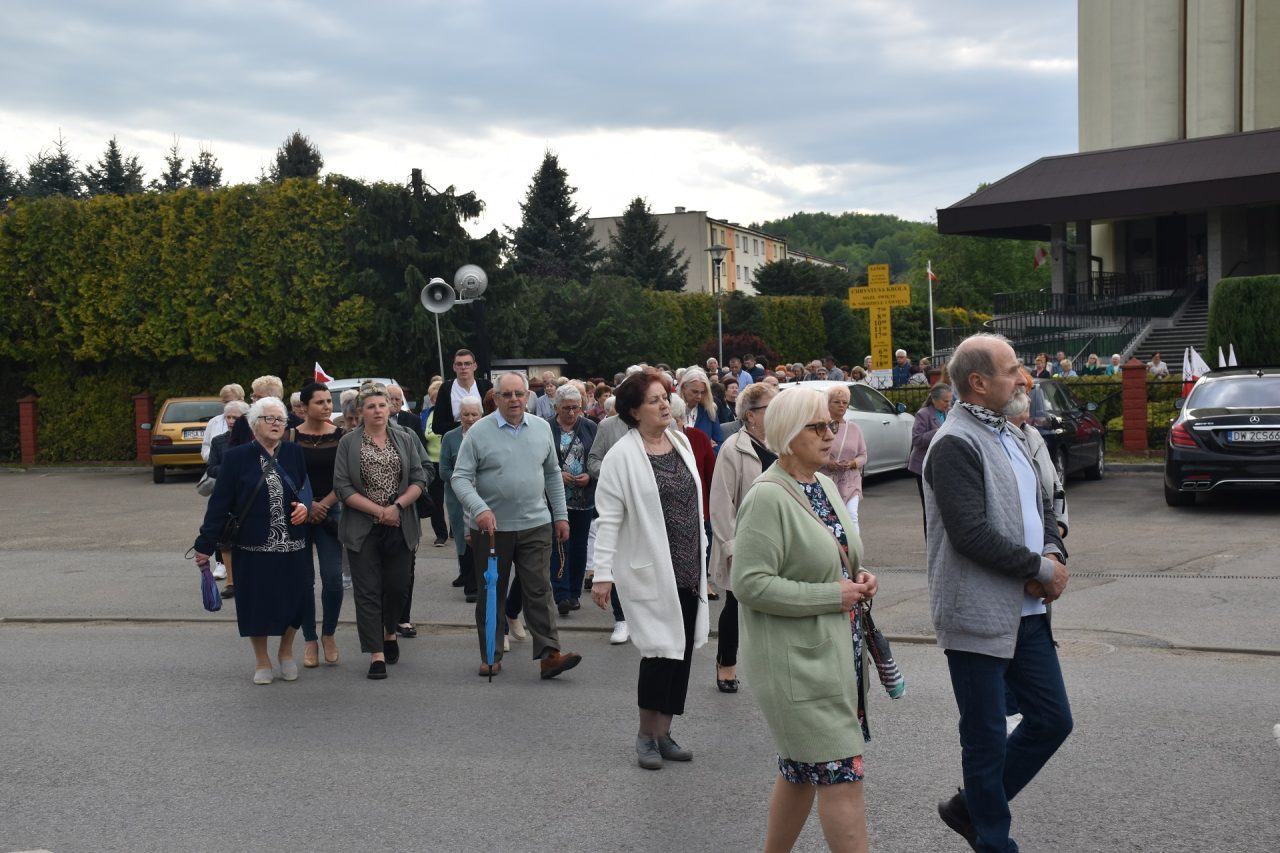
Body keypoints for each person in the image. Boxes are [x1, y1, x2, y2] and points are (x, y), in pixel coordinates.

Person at [923, 333, 1071, 853]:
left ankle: (972, 808)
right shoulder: (954, 443)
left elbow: (1043, 505)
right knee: (985, 738)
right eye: (1011, 370)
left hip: (1026, 610)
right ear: (979, 383)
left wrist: (1052, 553)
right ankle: (993, 840)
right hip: (976, 614)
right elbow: (970, 534)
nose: (1023, 378)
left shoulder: (1012, 434)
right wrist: (1038, 568)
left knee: (1052, 720)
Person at [732, 386, 878, 853]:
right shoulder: (766, 496)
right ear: (788, 433)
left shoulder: (824, 485)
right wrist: (832, 594)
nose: (830, 434)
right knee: (841, 773)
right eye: (818, 427)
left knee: (799, 771)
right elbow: (749, 584)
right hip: (797, 665)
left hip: (833, 655)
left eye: (831, 425)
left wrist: (858, 578)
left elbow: (836, 556)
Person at [590, 370, 709, 769]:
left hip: (688, 566)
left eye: (665, 397)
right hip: (650, 569)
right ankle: (646, 735)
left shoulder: (679, 442)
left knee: (681, 652)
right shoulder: (621, 457)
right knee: (659, 652)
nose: (664, 405)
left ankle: (665, 733)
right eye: (654, 400)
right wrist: (602, 574)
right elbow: (608, 520)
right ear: (634, 411)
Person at [450, 371, 582, 679]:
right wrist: (479, 509)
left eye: (519, 394)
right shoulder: (479, 432)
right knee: (491, 592)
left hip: (536, 523)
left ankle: (549, 655)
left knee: (539, 590)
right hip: (492, 529)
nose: (513, 400)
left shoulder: (541, 428)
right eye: (506, 394)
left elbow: (552, 474)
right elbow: (460, 478)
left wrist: (560, 515)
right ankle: (491, 654)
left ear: (527, 397)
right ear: (495, 398)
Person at [193, 397, 312, 685]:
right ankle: (262, 659)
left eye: (280, 419)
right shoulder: (237, 458)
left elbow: (304, 490)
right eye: (269, 418)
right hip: (252, 546)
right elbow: (220, 504)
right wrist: (204, 543)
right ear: (254, 423)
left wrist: (304, 507)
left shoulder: (294, 452)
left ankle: (286, 652)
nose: (276, 424)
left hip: (293, 544)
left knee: (296, 602)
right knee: (256, 604)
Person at [333, 383, 429, 680]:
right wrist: (379, 512)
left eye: (382, 405)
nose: (377, 411)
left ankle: (389, 631)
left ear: (390, 408)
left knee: (398, 586)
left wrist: (396, 507)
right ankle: (376, 653)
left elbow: (419, 478)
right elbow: (342, 486)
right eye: (371, 406)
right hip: (363, 527)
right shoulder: (348, 442)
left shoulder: (405, 437)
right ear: (361, 411)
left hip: (400, 523)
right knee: (367, 591)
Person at [708, 380, 777, 696]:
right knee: (736, 605)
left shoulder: (782, 443)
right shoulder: (732, 449)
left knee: (776, 605)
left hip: (777, 539)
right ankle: (727, 663)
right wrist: (731, 547)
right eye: (770, 407)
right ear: (751, 415)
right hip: (744, 539)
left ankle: (773, 666)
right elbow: (721, 503)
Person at [293, 382, 345, 668]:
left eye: (328, 401)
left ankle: (329, 634)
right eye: (320, 402)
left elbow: (346, 477)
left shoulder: (341, 436)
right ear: (304, 407)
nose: (327, 406)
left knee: (333, 579)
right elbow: (285, 475)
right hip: (297, 511)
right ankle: (309, 639)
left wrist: (323, 504)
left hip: (331, 510)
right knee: (303, 581)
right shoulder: (290, 436)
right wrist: (307, 505)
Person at [546, 384, 597, 617]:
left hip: (583, 498)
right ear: (556, 407)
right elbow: (540, 460)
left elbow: (597, 458)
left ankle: (574, 593)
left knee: (579, 546)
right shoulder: (547, 428)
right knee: (559, 545)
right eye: (566, 408)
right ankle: (562, 594)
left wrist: (590, 476)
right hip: (556, 499)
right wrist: (557, 474)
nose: (571, 412)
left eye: (576, 407)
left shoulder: (590, 427)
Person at [440, 396, 484, 603]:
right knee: (463, 539)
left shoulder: (488, 434)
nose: (470, 418)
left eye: (474, 414)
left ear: (481, 415)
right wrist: (463, 480)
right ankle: (469, 582)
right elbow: (443, 470)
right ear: (460, 416)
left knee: (483, 538)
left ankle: (479, 579)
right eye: (466, 414)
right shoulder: (450, 437)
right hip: (457, 498)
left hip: (484, 495)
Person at [206, 400, 250, 586]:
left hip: (248, 494)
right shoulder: (218, 441)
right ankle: (231, 581)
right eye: (228, 417)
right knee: (226, 537)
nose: (231, 421)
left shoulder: (253, 441)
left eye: (235, 418)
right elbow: (211, 468)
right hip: (226, 494)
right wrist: (229, 469)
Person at [819, 385, 869, 532]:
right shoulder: (820, 428)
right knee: (830, 519)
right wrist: (827, 463)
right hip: (827, 480)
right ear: (828, 404)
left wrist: (853, 463)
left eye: (845, 402)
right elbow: (811, 453)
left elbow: (863, 455)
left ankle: (854, 546)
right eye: (837, 402)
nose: (841, 405)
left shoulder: (854, 428)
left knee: (852, 516)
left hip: (850, 481)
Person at [909, 383, 953, 534]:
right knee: (929, 507)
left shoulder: (949, 413)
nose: (948, 404)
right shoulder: (923, 414)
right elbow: (916, 439)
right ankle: (930, 539)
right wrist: (938, 432)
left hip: (943, 465)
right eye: (945, 401)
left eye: (950, 400)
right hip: (923, 466)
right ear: (935, 400)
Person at [431, 349, 492, 436]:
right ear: (454, 367)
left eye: (467, 364)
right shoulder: (445, 389)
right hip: (456, 440)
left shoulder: (486, 386)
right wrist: (464, 424)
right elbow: (437, 426)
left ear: (474, 366)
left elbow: (495, 416)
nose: (463, 367)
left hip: (483, 437)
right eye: (459, 364)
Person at [677, 366, 723, 447]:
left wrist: (708, 450)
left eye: (703, 392)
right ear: (684, 387)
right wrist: (703, 445)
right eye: (695, 392)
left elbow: (719, 444)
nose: (699, 396)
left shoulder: (709, 410)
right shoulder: (672, 410)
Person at [201, 383, 246, 462]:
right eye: (225, 402)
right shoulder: (213, 422)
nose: (227, 405)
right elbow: (206, 446)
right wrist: (214, 456)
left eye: (231, 401)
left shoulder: (249, 421)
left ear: (241, 401)